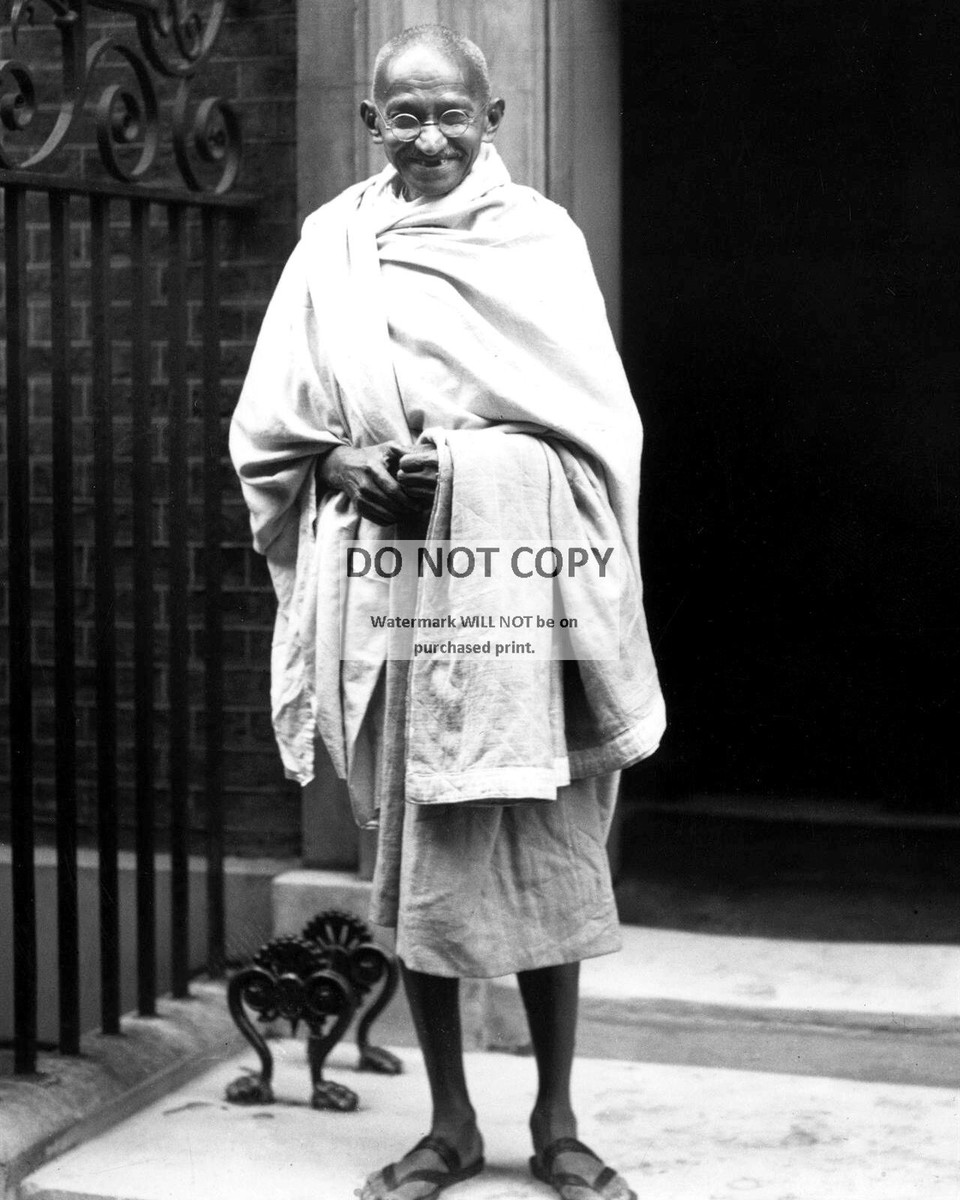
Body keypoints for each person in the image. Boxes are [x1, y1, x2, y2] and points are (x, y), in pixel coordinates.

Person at [230, 24, 665, 1200]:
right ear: (370, 123)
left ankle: (560, 1125)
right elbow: (272, 428)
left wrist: (478, 471)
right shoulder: (333, 246)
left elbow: (597, 433)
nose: (429, 138)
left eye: (451, 116)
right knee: (415, 861)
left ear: (495, 120)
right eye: (404, 116)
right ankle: (451, 1125)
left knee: (548, 855)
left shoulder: (541, 243)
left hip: (521, 602)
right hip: (394, 598)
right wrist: (341, 465)